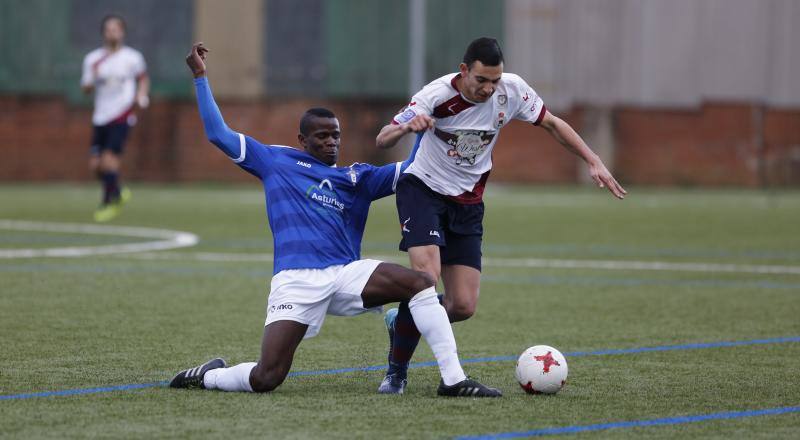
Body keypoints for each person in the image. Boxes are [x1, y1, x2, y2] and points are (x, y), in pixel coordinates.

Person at [168, 43, 502, 398]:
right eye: (322, 136)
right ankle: (208, 376)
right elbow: (218, 134)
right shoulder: (276, 162)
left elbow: (415, 171)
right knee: (267, 377)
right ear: (302, 140)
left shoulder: (356, 178)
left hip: (345, 274)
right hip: (296, 279)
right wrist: (201, 78)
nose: (331, 143)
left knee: (421, 282)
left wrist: (425, 130)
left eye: (336, 136)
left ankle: (453, 379)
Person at [374, 37, 627, 394]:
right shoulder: (436, 95)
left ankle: (403, 318)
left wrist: (593, 159)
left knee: (462, 305)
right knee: (425, 280)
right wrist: (405, 126)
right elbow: (382, 138)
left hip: (468, 202)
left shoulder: (513, 91)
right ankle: (396, 372)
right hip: (423, 191)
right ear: (464, 71)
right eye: (482, 80)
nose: (489, 89)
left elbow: (553, 123)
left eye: (495, 80)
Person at [80, 14, 149, 222]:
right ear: (103, 33)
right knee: (95, 166)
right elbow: (85, 88)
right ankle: (117, 192)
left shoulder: (133, 58)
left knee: (109, 161)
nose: (112, 33)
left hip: (122, 114)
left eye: (116, 29)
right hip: (101, 116)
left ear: (122, 32)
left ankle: (107, 202)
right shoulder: (93, 59)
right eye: (108, 29)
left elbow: (143, 79)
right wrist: (93, 77)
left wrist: (141, 95)